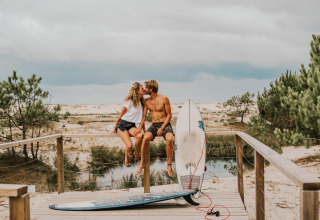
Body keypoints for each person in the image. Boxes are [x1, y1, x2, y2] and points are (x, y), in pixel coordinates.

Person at [136, 79, 174, 176]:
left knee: (170, 139)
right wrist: (140, 128)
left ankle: (169, 165)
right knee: (145, 139)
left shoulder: (164, 98)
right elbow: (143, 117)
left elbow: (169, 115)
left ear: (151, 89)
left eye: (146, 88)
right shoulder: (146, 101)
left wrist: (162, 128)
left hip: (165, 124)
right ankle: (142, 164)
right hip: (154, 125)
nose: (144, 89)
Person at [112, 82, 146, 167]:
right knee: (129, 145)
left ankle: (136, 153)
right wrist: (115, 127)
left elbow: (142, 118)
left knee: (140, 136)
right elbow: (120, 115)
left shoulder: (142, 103)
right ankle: (126, 157)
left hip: (131, 125)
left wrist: (141, 129)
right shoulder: (130, 102)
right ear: (137, 91)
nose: (144, 89)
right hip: (122, 125)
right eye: (142, 88)